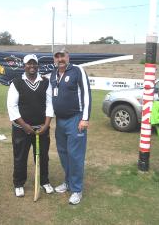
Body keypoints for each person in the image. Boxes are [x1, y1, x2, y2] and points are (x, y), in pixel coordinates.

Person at [7, 54, 54, 197]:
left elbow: (49, 104)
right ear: (24, 65)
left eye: (34, 63)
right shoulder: (16, 82)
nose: (32, 66)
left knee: (42, 157)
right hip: (21, 129)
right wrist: (25, 125)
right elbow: (12, 106)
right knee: (20, 157)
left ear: (37, 65)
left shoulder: (45, 82)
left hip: (41, 128)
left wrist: (46, 125)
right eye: (29, 63)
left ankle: (44, 181)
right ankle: (19, 183)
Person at [49, 48, 91, 205]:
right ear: (54, 59)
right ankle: (68, 182)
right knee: (63, 153)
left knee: (75, 155)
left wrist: (85, 118)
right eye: (57, 56)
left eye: (63, 56)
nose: (60, 59)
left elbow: (87, 95)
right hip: (60, 121)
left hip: (76, 119)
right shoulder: (53, 74)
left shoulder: (77, 70)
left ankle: (77, 190)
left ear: (68, 57)